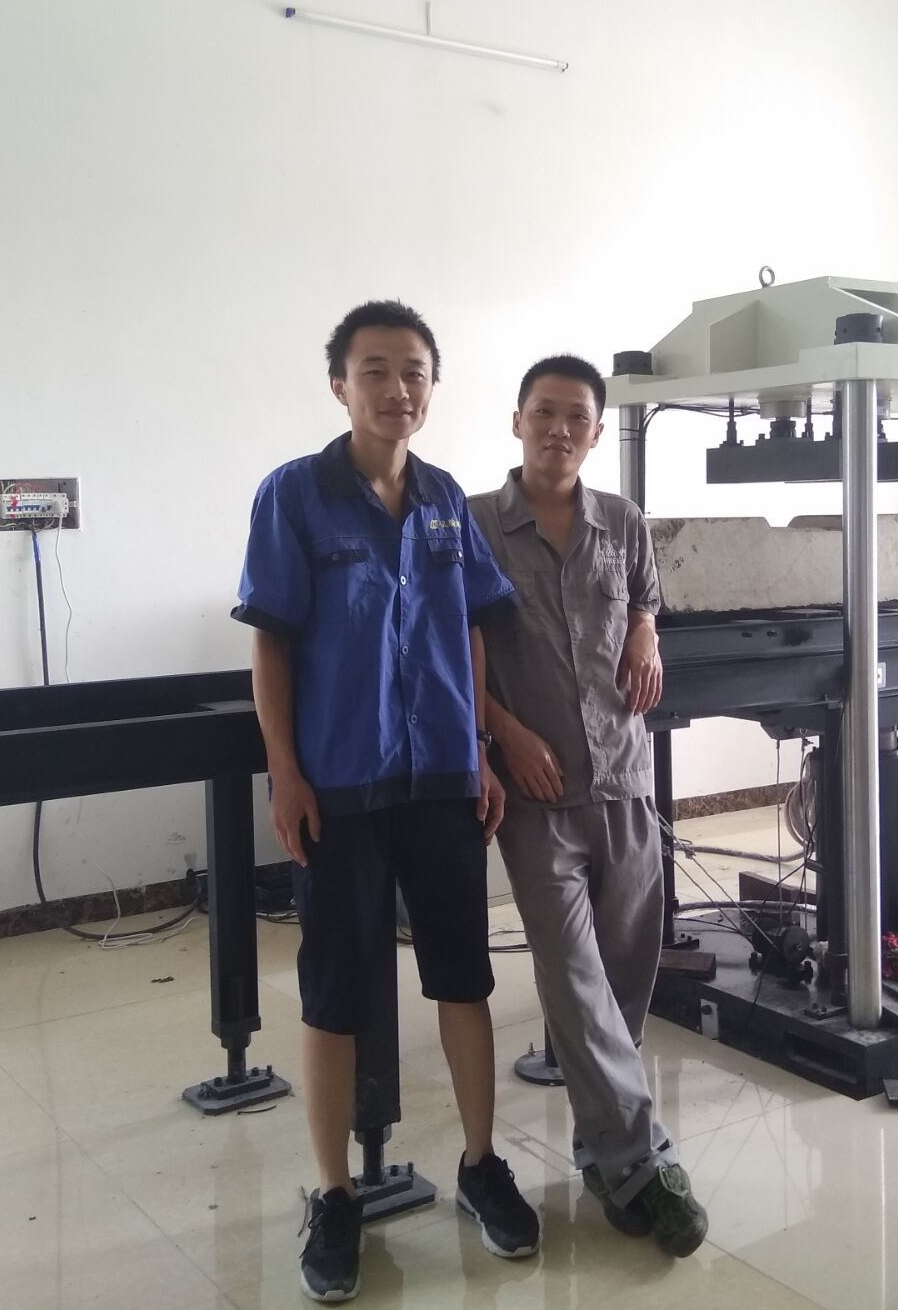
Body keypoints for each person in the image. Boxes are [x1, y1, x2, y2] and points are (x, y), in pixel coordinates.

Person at [233, 300, 540, 1302]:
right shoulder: (295, 496)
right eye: (375, 370)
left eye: (414, 371)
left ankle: (481, 1164)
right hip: (340, 786)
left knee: (463, 978)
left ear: (431, 386)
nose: (397, 388)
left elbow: (470, 629)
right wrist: (284, 771)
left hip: (443, 780)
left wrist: (480, 748)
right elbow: (272, 643)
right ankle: (333, 1196)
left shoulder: (447, 500)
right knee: (334, 992)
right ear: (340, 385)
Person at [467, 354, 710, 1258]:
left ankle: (601, 1148)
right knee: (573, 979)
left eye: (577, 416)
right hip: (539, 795)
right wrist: (501, 733)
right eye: (544, 412)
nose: (559, 429)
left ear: (598, 432)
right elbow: (455, 647)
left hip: (624, 778)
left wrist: (646, 629)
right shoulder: (478, 525)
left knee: (625, 976)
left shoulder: (623, 520)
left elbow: (644, 599)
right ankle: (645, 1164)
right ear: (517, 420)